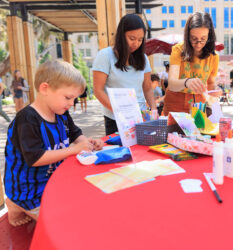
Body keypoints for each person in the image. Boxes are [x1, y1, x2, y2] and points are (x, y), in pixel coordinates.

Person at [4, 60, 104, 226]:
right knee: (63, 224)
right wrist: (74, 150)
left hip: (53, 181)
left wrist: (88, 143)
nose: (72, 104)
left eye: (74, 99)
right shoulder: (27, 119)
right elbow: (35, 158)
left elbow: (76, 134)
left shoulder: (61, 114)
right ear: (45, 89)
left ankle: (17, 204)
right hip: (29, 190)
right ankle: (16, 202)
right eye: (68, 97)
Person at [93, 13, 157, 135]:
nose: (136, 44)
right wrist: (118, 111)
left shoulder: (143, 58)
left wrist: (153, 109)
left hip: (140, 117)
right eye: (132, 39)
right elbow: (98, 90)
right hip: (115, 118)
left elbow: (147, 88)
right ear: (121, 35)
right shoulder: (105, 56)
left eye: (140, 40)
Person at [163, 12, 221, 115]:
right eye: (194, 39)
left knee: (198, 130)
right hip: (175, 101)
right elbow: (172, 84)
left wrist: (215, 91)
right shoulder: (178, 50)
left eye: (203, 39)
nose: (198, 44)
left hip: (198, 103)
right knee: (172, 131)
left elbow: (211, 83)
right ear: (187, 35)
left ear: (210, 36)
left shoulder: (214, 56)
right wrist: (186, 82)